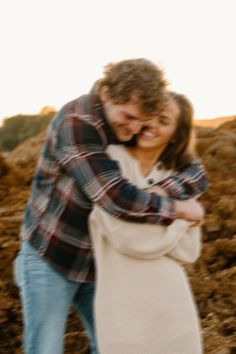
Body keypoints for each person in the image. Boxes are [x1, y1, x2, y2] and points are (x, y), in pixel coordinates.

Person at [14, 58, 207, 354]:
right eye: (128, 117)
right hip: (52, 257)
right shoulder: (76, 123)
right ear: (105, 93)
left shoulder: (132, 127)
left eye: (142, 120)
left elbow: (194, 170)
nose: (134, 129)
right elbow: (116, 198)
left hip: (100, 265)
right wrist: (178, 208)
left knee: (110, 346)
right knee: (45, 348)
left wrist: (156, 190)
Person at [90, 92, 204, 354]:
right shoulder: (110, 163)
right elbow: (130, 240)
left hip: (173, 306)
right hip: (123, 310)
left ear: (175, 133)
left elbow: (189, 252)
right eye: (150, 115)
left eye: (163, 120)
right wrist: (181, 219)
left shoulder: (178, 176)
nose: (152, 124)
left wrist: (154, 223)